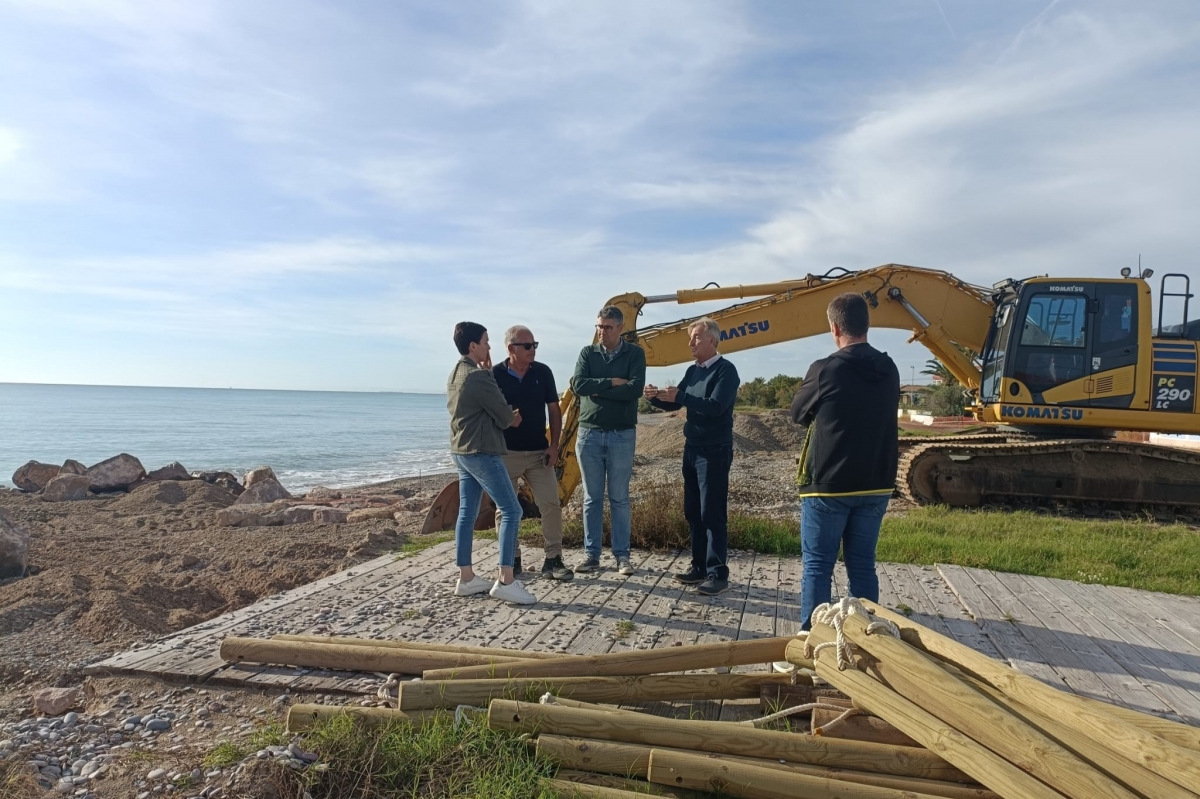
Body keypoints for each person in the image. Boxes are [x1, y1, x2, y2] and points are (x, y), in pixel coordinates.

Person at [790, 293, 899, 631]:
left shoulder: (825, 369)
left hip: (830, 486)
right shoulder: (890, 368)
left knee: (818, 565)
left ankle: (813, 636)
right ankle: (866, 634)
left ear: (834, 327)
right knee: (863, 565)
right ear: (867, 325)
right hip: (877, 482)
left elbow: (797, 413)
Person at [644, 317, 740, 596]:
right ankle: (698, 567)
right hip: (692, 448)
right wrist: (654, 397)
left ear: (713, 340)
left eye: (696, 338)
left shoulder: (726, 371)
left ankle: (718, 573)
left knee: (712, 512)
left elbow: (716, 406)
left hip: (714, 451)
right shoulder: (692, 371)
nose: (691, 343)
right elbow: (678, 399)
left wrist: (682, 397)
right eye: (690, 339)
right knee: (693, 511)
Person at [446, 321, 536, 605]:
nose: (488, 347)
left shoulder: (455, 373)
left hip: (460, 451)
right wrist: (512, 415)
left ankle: (467, 577)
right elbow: (505, 416)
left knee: (466, 513)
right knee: (512, 510)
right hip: (481, 451)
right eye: (485, 342)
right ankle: (506, 580)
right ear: (473, 346)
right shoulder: (478, 376)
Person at [493, 325, 574, 581]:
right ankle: (511, 560)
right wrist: (506, 420)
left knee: (551, 503)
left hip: (540, 451)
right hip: (506, 453)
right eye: (527, 346)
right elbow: (488, 412)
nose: (533, 350)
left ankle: (553, 559)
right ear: (511, 349)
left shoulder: (543, 372)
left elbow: (554, 410)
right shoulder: (494, 374)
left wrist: (554, 446)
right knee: (504, 509)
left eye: (534, 345)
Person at [571, 305, 646, 575]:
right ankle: (591, 555)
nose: (602, 332)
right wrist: (612, 382)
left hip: (621, 435)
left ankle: (622, 556)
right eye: (599, 327)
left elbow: (635, 389)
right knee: (592, 498)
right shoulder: (587, 353)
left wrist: (599, 390)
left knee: (619, 498)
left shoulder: (635, 353)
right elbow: (578, 385)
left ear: (620, 328)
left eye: (607, 327)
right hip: (589, 434)